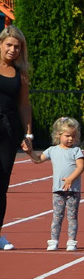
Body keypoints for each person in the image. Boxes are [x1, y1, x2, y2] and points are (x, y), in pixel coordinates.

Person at [23, 117, 84, 251]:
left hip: (73, 190)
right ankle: (54, 240)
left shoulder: (76, 151)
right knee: (57, 216)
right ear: (59, 135)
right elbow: (38, 160)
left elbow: (80, 167)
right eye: (67, 136)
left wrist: (70, 179)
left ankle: (71, 241)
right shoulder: (52, 150)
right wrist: (29, 153)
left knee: (72, 217)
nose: (70, 139)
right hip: (58, 190)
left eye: (73, 136)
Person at [1, 26, 33, 251]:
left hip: (8, 131)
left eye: (17, 46)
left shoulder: (20, 74)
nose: (12, 50)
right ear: (0, 44)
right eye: (9, 45)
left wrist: (28, 133)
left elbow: (24, 105)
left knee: (1, 185)